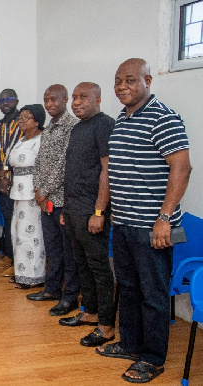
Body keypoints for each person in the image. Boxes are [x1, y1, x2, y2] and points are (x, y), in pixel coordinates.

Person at [97, 58, 191, 384]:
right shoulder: (123, 119)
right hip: (123, 223)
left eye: (130, 80)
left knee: (153, 294)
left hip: (152, 226)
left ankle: (152, 358)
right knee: (130, 288)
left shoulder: (163, 118)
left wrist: (164, 219)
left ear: (148, 80)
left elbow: (182, 169)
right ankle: (130, 344)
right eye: (118, 81)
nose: (122, 86)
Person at [58, 82, 116, 349]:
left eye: (83, 97)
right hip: (73, 210)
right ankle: (90, 311)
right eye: (74, 97)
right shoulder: (79, 127)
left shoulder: (104, 124)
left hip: (91, 211)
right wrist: (66, 211)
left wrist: (99, 211)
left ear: (98, 99)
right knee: (83, 266)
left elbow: (107, 170)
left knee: (99, 269)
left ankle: (106, 326)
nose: (76, 102)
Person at [29, 85, 81, 317]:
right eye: (46, 100)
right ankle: (52, 289)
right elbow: (39, 161)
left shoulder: (72, 127)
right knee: (52, 249)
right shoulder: (48, 128)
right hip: (45, 200)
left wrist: (45, 190)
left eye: (54, 100)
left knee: (68, 252)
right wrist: (38, 190)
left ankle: (69, 297)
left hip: (63, 200)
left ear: (65, 100)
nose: (50, 104)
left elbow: (64, 164)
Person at [7, 104, 46, 289]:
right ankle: (21, 273)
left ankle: (35, 277)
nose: (21, 121)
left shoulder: (42, 139)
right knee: (18, 234)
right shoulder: (21, 140)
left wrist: (42, 191)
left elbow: (45, 168)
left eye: (26, 117)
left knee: (32, 235)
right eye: (20, 118)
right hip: (18, 193)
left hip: (34, 194)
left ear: (37, 120)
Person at [0, 89, 23, 277]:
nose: (5, 103)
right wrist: (1, 175)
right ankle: (9, 256)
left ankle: (18, 261)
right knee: (9, 221)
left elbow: (20, 153)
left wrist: (7, 173)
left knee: (19, 222)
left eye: (8, 100)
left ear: (16, 101)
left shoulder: (24, 124)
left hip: (20, 182)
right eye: (1, 100)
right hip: (3, 181)